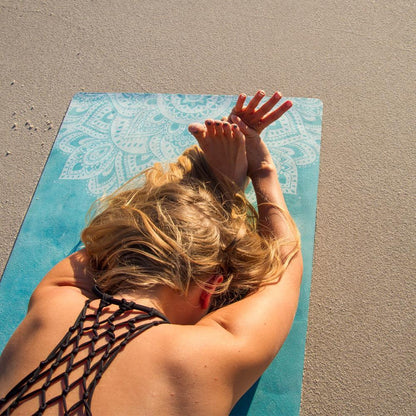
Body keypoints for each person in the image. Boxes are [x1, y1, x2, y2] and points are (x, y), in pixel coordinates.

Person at [0, 90, 302, 416]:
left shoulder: (55, 297)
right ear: (210, 289)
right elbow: (284, 263)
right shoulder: (212, 355)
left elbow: (109, 239)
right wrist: (259, 170)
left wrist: (222, 186)